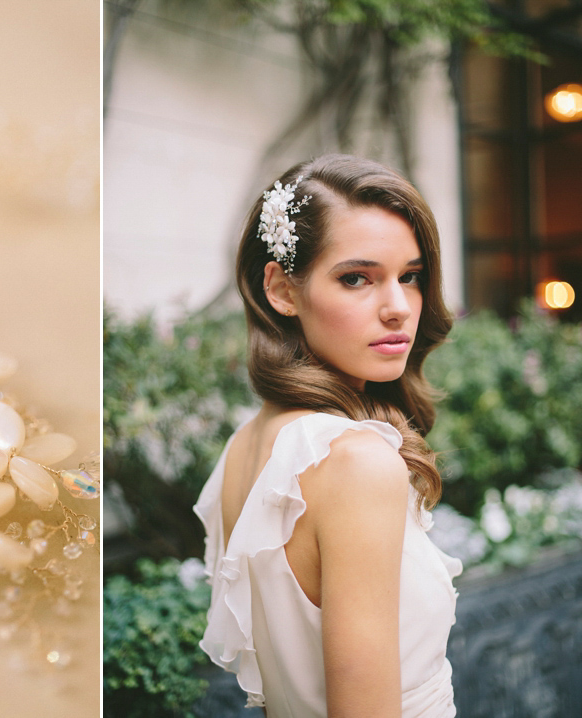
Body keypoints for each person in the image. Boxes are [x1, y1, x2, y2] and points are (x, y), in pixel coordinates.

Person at [195, 154, 462, 718]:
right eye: (357, 278)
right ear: (282, 289)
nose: (398, 308)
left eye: (409, 277)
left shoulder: (246, 444)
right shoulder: (356, 462)